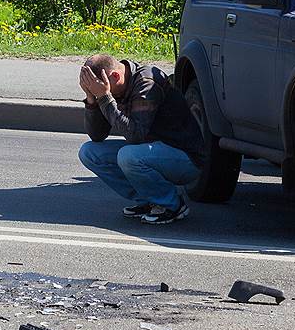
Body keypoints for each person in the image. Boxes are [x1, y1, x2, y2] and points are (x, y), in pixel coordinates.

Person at [78, 54, 206, 224]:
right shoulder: (111, 87)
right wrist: (92, 100)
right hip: (153, 152)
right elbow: (97, 135)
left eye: (95, 87)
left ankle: (172, 205)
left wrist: (105, 98)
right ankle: (149, 200)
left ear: (115, 76)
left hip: (186, 158)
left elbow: (135, 135)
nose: (97, 91)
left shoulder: (147, 83)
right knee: (89, 152)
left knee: (128, 156)